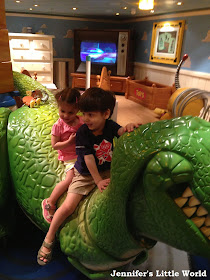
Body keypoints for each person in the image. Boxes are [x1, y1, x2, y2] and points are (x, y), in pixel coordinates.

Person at [37, 87, 139, 265]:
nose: (85, 119)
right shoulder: (83, 132)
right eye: (84, 114)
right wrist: (97, 180)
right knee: (68, 206)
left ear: (106, 113)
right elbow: (89, 159)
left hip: (107, 170)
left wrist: (128, 127)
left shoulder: (110, 125)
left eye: (90, 115)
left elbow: (121, 131)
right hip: (85, 174)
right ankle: (49, 237)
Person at [41, 87, 83, 224]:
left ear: (77, 110)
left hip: (82, 153)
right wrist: (68, 142)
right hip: (69, 156)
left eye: (70, 112)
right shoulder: (58, 126)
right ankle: (50, 201)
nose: (66, 115)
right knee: (70, 178)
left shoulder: (81, 122)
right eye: (62, 111)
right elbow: (55, 145)